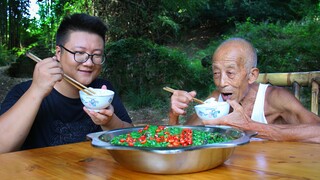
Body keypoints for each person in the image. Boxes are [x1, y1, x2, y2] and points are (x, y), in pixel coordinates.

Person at [0, 13, 133, 153]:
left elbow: (133, 139)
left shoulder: (103, 91)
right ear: (58, 52)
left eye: (97, 55)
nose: (88, 63)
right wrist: (36, 91)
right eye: (79, 53)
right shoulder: (23, 92)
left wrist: (109, 122)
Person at [169, 37, 320, 143]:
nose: (221, 83)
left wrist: (251, 127)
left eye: (230, 73)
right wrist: (174, 115)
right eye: (216, 73)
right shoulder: (216, 100)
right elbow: (180, 138)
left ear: (252, 75)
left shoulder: (274, 98)